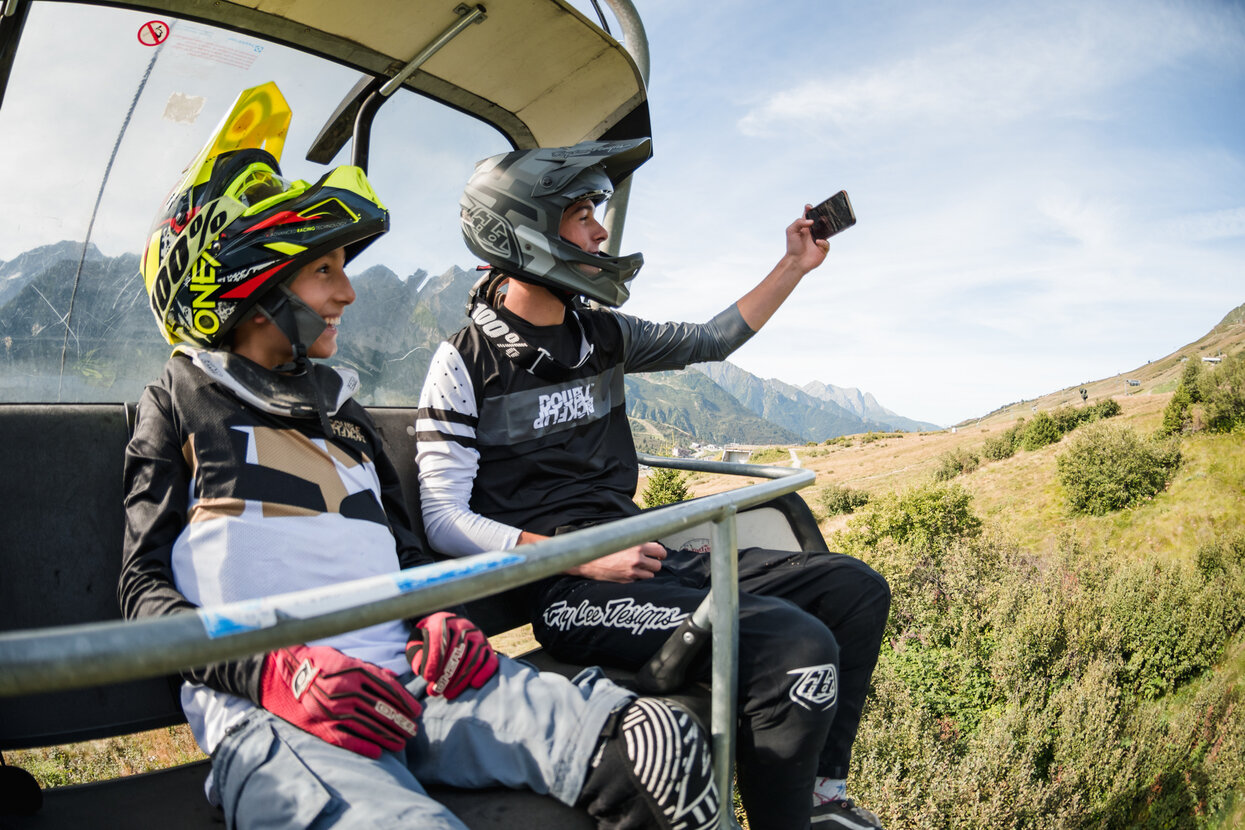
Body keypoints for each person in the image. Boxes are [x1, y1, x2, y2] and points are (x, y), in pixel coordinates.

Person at [119, 88, 717, 830]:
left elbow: (402, 548)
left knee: (659, 749)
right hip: (276, 714)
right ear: (248, 287)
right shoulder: (179, 401)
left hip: (424, 678)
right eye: (324, 271)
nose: (347, 290)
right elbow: (142, 588)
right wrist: (271, 669)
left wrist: (435, 613)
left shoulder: (344, 412)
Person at [415, 139, 892, 830]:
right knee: (792, 643)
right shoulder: (464, 361)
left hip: (648, 559)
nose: (600, 232)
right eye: (581, 215)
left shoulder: (602, 334)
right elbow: (441, 515)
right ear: (526, 230)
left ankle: (820, 801)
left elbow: (709, 339)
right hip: (571, 589)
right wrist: (571, 555)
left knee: (852, 590)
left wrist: (793, 264)